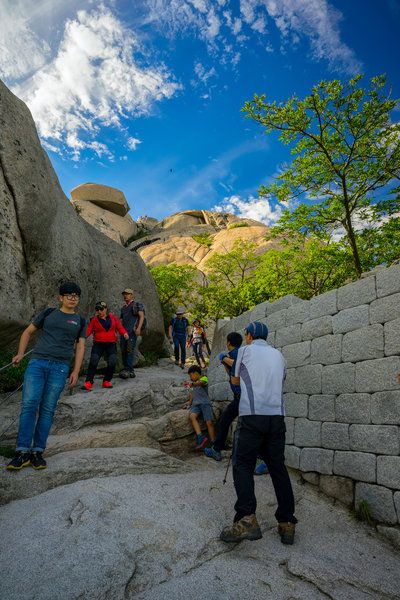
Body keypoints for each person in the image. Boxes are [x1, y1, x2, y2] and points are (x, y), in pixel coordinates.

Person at [220, 321, 297, 545]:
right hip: (276, 418)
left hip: (252, 416)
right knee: (277, 467)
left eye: (247, 335)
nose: (246, 338)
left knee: (242, 463)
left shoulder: (243, 351)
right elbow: (279, 381)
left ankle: (246, 518)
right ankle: (287, 522)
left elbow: (235, 380)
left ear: (251, 336)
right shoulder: (279, 355)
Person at [6, 282, 86, 471]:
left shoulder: (80, 321)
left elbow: (80, 346)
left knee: (48, 409)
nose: (72, 298)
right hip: (37, 363)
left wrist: (75, 371)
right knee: (30, 404)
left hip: (60, 368)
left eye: (76, 295)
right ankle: (22, 451)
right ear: (61, 297)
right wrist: (20, 353)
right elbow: (27, 332)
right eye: (69, 295)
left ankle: (37, 452)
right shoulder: (49, 313)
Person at [82, 301, 129, 390]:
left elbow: (119, 327)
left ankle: (106, 381)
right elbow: (88, 330)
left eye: (101, 309)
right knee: (94, 361)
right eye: (97, 309)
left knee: (112, 361)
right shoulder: (95, 319)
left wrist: (125, 333)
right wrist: (82, 338)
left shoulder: (113, 318)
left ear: (106, 309)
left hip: (111, 343)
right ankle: (88, 382)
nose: (99, 311)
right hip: (98, 343)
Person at [186, 365, 215, 450]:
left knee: (209, 422)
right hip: (196, 405)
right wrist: (188, 404)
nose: (190, 378)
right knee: (192, 416)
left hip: (205, 404)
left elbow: (201, 383)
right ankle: (200, 436)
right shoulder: (193, 385)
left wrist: (192, 384)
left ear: (195, 373)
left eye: (191, 375)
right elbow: (192, 395)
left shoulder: (204, 379)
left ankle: (213, 442)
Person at [119, 288, 144, 379]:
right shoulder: (123, 308)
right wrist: (119, 331)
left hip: (132, 332)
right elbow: (121, 320)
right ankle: (130, 370)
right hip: (124, 332)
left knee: (129, 350)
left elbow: (141, 316)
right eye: (124, 294)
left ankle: (127, 370)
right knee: (123, 350)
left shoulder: (137, 305)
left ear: (132, 295)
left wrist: (139, 328)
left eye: (128, 294)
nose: (126, 296)